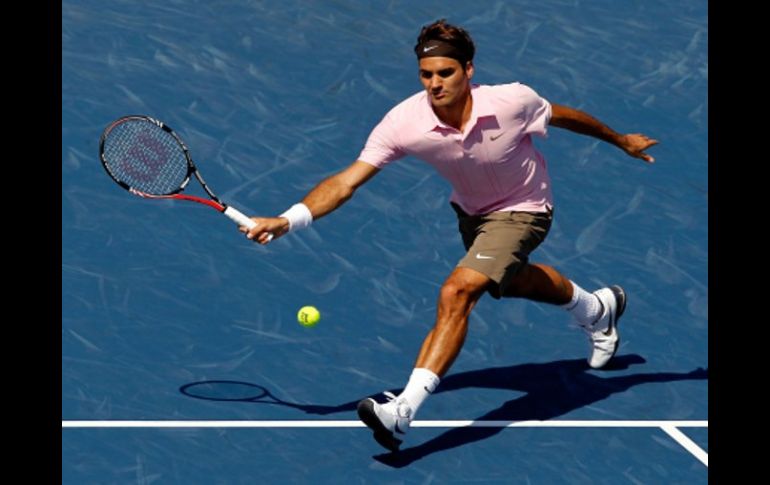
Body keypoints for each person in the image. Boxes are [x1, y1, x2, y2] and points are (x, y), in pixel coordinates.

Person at [241, 19, 658, 452]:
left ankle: (401, 410)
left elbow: (562, 115)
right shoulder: (404, 121)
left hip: (526, 210)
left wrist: (619, 139)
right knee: (509, 281)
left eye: (446, 73)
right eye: (427, 75)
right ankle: (595, 307)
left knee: (457, 292)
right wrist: (288, 219)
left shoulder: (512, 101)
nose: (435, 84)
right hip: (472, 215)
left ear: (469, 70)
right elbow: (346, 181)